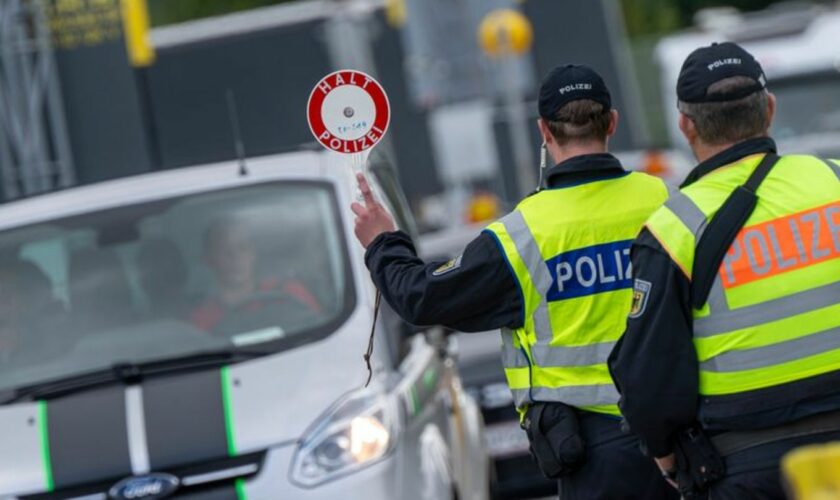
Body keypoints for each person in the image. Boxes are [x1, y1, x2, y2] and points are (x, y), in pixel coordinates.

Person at [352, 65, 676, 499]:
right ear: (612, 122)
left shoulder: (522, 236)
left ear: (544, 130)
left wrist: (382, 242)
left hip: (593, 456)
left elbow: (421, 298)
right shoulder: (666, 202)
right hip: (681, 435)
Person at [608, 42, 840, 499]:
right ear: (769, 109)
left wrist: (669, 459)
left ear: (686, 126)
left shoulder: (673, 230)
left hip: (750, 465)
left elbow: (650, 373)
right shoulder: (834, 180)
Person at [190, 216, 320, 334]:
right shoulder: (201, 320)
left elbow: (320, 333)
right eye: (225, 250)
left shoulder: (288, 291)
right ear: (209, 260)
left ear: (253, 253)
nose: (236, 258)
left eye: (242, 248)